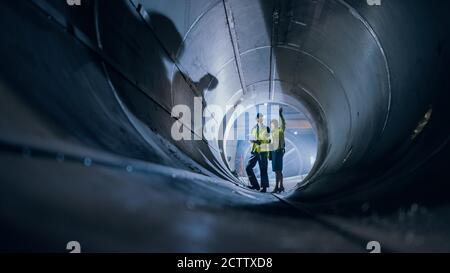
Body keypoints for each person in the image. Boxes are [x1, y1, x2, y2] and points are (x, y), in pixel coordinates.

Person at [246, 113, 271, 192]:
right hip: (254, 151)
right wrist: (251, 140)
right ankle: (255, 185)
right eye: (259, 118)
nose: (260, 119)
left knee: (263, 169)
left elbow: (269, 140)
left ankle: (264, 187)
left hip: (263, 151)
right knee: (248, 168)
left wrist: (261, 141)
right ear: (256, 119)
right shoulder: (253, 128)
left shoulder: (266, 128)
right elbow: (251, 138)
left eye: (261, 118)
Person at [270, 107, 286, 193]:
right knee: (276, 171)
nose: (271, 125)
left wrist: (280, 115)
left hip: (279, 151)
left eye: (272, 124)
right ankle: (279, 187)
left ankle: (279, 186)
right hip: (274, 153)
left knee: (278, 170)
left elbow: (283, 123)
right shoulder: (272, 133)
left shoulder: (280, 130)